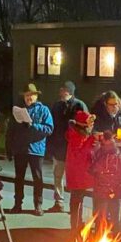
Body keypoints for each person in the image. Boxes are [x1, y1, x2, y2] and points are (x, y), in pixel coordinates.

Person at [5, 83, 54, 215]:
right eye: (26, 95)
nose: (28, 98)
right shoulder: (18, 111)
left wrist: (34, 126)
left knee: (37, 178)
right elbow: (10, 131)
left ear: (36, 96)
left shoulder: (43, 110)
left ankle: (38, 204)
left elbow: (49, 129)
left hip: (36, 149)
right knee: (19, 178)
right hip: (20, 149)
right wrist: (9, 148)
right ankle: (17, 204)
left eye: (31, 95)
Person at [46, 81, 88, 213]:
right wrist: (51, 146)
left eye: (64, 90)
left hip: (74, 149)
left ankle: (76, 204)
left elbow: (86, 126)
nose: (61, 92)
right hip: (59, 147)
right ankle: (59, 202)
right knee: (58, 175)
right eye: (61, 90)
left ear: (70, 91)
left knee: (74, 178)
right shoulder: (57, 106)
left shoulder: (79, 105)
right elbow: (52, 125)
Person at [64, 110, 97, 234]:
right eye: (90, 122)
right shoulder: (77, 136)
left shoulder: (79, 134)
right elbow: (80, 154)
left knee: (78, 198)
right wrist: (91, 141)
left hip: (78, 171)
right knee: (77, 199)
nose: (92, 125)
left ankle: (77, 223)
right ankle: (75, 225)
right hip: (77, 172)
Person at [90, 132, 121, 232]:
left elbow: (93, 169)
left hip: (100, 190)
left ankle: (99, 235)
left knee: (99, 215)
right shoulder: (118, 155)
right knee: (114, 214)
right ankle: (116, 235)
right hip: (115, 190)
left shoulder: (100, 153)